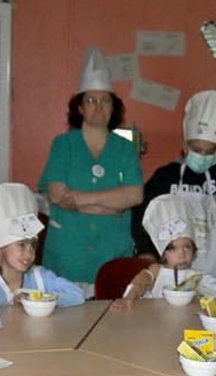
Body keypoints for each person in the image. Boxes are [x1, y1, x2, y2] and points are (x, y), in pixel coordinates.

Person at [39, 48, 144, 286]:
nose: (98, 107)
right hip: (67, 257)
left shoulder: (125, 149)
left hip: (111, 256)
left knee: (112, 318)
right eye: (91, 100)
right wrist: (111, 208)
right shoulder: (63, 145)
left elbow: (135, 195)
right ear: (80, 107)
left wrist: (81, 199)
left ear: (113, 107)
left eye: (105, 100)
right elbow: (56, 194)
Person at [133, 90, 216, 280]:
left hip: (210, 266)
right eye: (196, 150)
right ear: (185, 146)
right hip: (170, 265)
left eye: (209, 151)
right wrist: (145, 250)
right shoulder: (166, 175)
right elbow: (141, 213)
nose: (202, 156)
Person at [0, 182, 87, 311]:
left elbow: (77, 295)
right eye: (22, 245)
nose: (29, 254)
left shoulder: (40, 277)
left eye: (33, 245)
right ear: (0, 247)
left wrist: (38, 298)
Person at [112, 195, 216, 307]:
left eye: (187, 247)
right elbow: (140, 282)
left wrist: (202, 284)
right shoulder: (157, 270)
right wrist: (129, 297)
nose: (182, 254)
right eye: (174, 249)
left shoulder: (194, 276)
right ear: (163, 253)